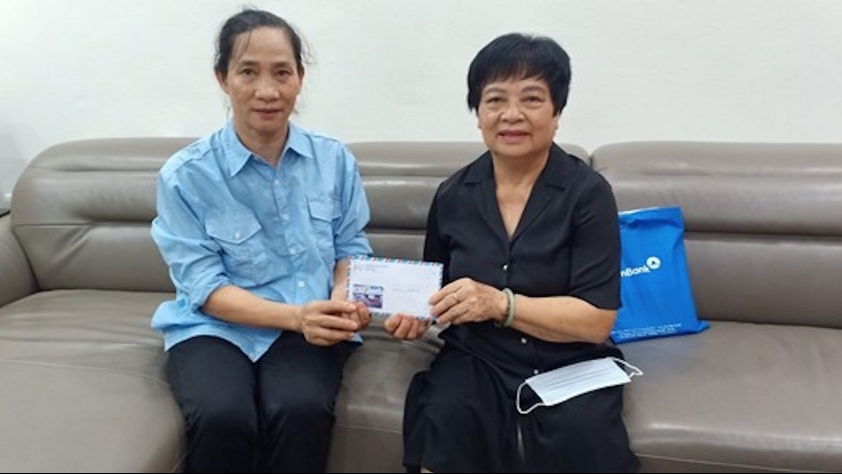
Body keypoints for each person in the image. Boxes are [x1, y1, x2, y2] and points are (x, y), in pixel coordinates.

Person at [384, 33, 640, 473]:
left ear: (557, 113)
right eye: (495, 100)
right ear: (478, 114)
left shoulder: (587, 194)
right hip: (477, 356)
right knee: (445, 424)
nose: (512, 114)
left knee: (583, 438)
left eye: (532, 99)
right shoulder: (454, 194)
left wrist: (501, 304)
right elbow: (437, 291)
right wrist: (416, 316)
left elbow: (597, 320)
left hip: (568, 358)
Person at [150, 8, 373, 473]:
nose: (267, 91)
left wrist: (342, 298)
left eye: (282, 73)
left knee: (300, 409)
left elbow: (350, 248)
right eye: (248, 72)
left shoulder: (333, 160)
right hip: (215, 327)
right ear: (223, 78)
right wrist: (296, 317)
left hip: (310, 324)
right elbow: (204, 286)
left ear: (300, 78)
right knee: (222, 415)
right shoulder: (185, 175)